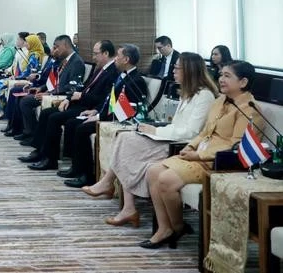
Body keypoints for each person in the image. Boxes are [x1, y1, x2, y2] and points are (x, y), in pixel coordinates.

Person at [82, 52, 218, 228]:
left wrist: (157, 131)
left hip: (180, 145)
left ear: (190, 71)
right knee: (124, 137)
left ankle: (111, 186)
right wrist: (155, 130)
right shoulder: (188, 93)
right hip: (168, 137)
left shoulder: (204, 96)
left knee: (128, 145)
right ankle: (126, 204)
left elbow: (191, 132)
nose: (174, 71)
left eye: (177, 68)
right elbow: (177, 125)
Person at [140, 60, 262, 249]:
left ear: (243, 82)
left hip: (218, 162)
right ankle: (165, 228)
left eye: (227, 76)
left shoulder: (249, 109)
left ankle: (178, 227)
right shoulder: (220, 100)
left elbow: (236, 146)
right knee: (152, 171)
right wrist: (191, 146)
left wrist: (199, 156)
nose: (221, 79)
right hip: (200, 152)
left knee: (165, 179)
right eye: (221, 75)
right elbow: (205, 132)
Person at [19, 40, 119, 172]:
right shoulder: (100, 69)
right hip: (81, 102)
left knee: (55, 118)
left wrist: (82, 98)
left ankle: (50, 159)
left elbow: (104, 99)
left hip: (89, 107)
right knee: (46, 113)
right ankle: (40, 151)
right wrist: (68, 98)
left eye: (96, 54)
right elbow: (83, 87)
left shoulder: (112, 72)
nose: (93, 57)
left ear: (106, 53)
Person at [59, 44, 149, 188]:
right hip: (104, 114)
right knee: (76, 123)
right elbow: (108, 99)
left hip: (119, 121)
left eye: (118, 57)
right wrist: (96, 111)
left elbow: (127, 110)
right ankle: (77, 169)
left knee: (82, 129)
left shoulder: (135, 80)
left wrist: (100, 117)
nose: (115, 60)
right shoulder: (122, 75)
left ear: (126, 59)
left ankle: (87, 175)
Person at [16, 35, 85, 142]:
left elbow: (72, 86)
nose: (55, 50)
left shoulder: (76, 62)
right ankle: (29, 133)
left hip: (62, 96)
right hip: (53, 92)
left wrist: (49, 93)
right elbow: (54, 79)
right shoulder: (65, 60)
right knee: (24, 100)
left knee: (26, 101)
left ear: (66, 45)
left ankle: (32, 135)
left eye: (57, 47)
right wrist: (42, 88)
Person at [0, 34, 44, 119]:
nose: (26, 44)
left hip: (27, 80)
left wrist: (17, 77)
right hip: (21, 76)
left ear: (33, 43)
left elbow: (29, 72)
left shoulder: (34, 56)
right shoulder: (30, 53)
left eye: (27, 42)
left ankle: (1, 110)